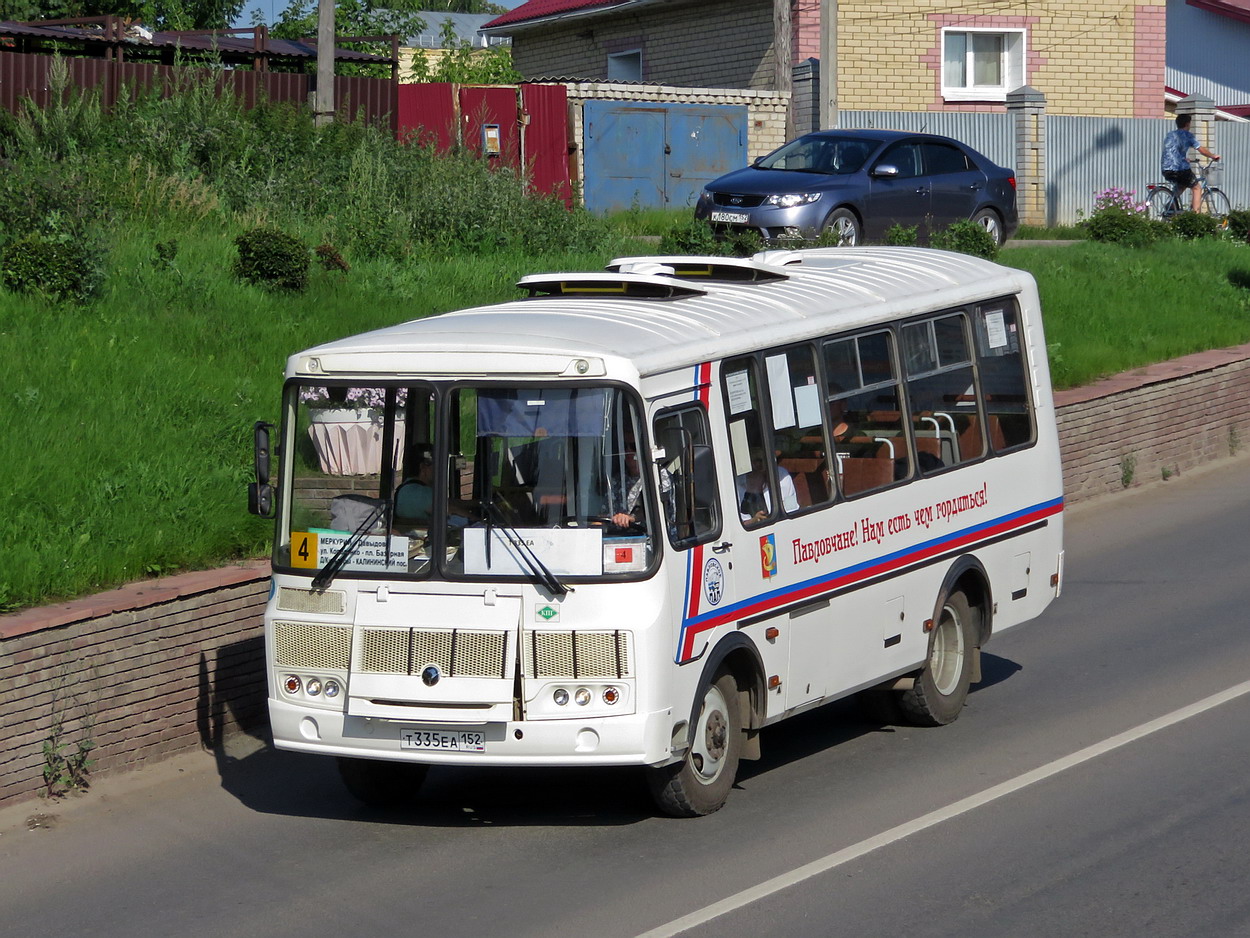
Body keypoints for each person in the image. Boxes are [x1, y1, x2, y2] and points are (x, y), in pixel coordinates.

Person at [1160, 114, 1220, 212]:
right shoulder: (1188, 135)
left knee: (1183, 184)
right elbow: (1201, 149)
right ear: (1187, 124)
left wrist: (1184, 158)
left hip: (1166, 169)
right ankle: (1196, 217)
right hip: (1179, 169)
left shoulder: (1170, 134)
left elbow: (1173, 151)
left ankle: (1170, 206)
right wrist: (1213, 156)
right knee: (1197, 187)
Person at [736, 452, 799, 523]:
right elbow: (734, 524)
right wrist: (754, 521)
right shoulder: (736, 480)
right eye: (758, 460)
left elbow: (792, 509)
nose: (762, 464)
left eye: (765, 459)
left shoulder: (782, 475)